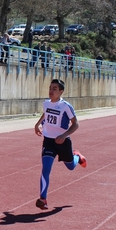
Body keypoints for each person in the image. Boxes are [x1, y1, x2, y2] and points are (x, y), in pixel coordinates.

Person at [33, 79, 87, 210]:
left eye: (55, 89)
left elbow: (76, 124)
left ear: (61, 92)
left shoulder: (65, 106)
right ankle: (43, 199)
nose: (51, 91)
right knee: (45, 169)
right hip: (49, 141)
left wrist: (64, 135)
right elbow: (46, 113)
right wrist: (37, 124)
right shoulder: (46, 103)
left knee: (70, 166)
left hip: (63, 142)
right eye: (50, 88)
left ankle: (77, 157)